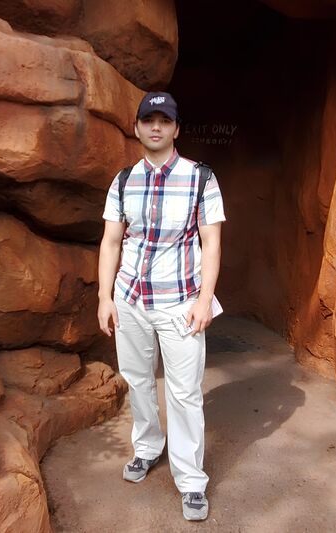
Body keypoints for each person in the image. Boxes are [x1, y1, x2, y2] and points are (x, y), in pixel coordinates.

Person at [97, 91, 226, 521]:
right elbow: (111, 241)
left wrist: (205, 300)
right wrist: (104, 297)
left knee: (184, 392)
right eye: (149, 120)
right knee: (137, 380)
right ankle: (148, 447)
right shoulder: (123, 181)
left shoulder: (200, 179)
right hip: (130, 300)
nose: (156, 127)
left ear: (176, 129)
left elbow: (211, 243)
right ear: (136, 128)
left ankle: (191, 481)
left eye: (165, 120)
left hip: (180, 303)